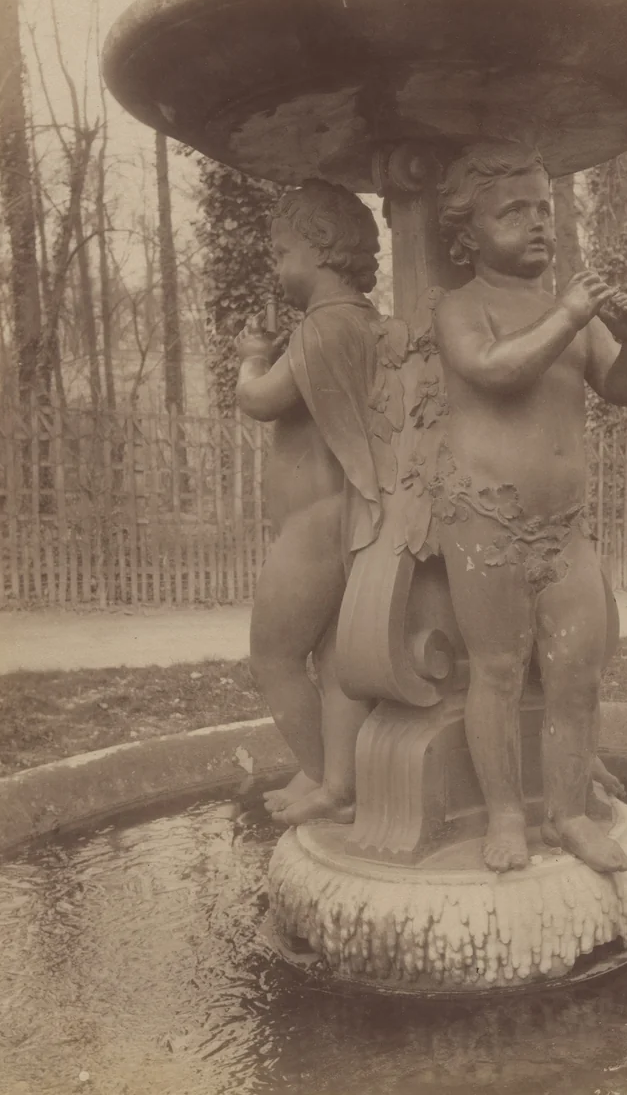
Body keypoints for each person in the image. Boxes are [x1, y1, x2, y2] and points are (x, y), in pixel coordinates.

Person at [432, 141, 627, 874]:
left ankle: (567, 814)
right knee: (496, 671)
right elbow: (493, 369)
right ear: (468, 234)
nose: (536, 223)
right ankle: (504, 814)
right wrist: (569, 313)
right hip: (486, 523)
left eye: (544, 209)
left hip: (565, 529)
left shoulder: (571, 313)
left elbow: (622, 387)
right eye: (513, 212)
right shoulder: (462, 306)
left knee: (577, 672)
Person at [235, 179, 387, 827]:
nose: (276, 267)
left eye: (281, 251)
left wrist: (250, 359)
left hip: (317, 524)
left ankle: (328, 777)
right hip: (347, 519)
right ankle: (332, 778)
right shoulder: (370, 325)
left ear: (320, 248)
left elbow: (260, 400)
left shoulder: (322, 327)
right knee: (331, 659)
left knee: (272, 655)